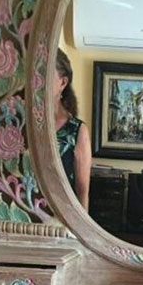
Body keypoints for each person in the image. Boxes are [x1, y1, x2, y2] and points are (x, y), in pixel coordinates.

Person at [54, 49, 91, 210]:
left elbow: (82, 191)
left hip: (61, 220)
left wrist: (79, 234)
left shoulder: (77, 131)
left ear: (63, 82)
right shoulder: (23, 121)